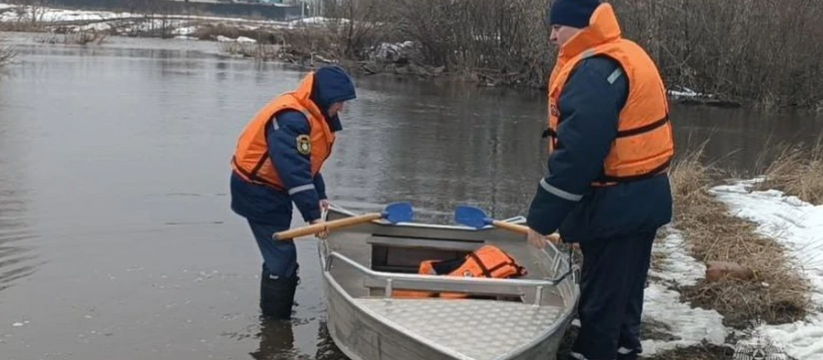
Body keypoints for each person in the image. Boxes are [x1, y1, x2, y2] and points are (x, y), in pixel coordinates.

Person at [524, 1, 674, 359]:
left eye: (558, 26)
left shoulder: (595, 70)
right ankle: (624, 347)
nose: (552, 35)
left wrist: (541, 219)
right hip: (643, 197)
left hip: (616, 204)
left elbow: (579, 155)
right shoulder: (626, 53)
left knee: (602, 301)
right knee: (624, 293)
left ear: (581, 25)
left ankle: (595, 353)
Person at [229, 66, 356, 320]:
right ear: (326, 97)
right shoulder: (291, 119)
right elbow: (293, 171)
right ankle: (275, 324)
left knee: (282, 255)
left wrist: (319, 195)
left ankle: (279, 308)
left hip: (273, 192)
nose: (341, 109)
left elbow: (308, 164)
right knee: (282, 257)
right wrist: (313, 218)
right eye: (340, 102)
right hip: (257, 191)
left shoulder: (311, 114)